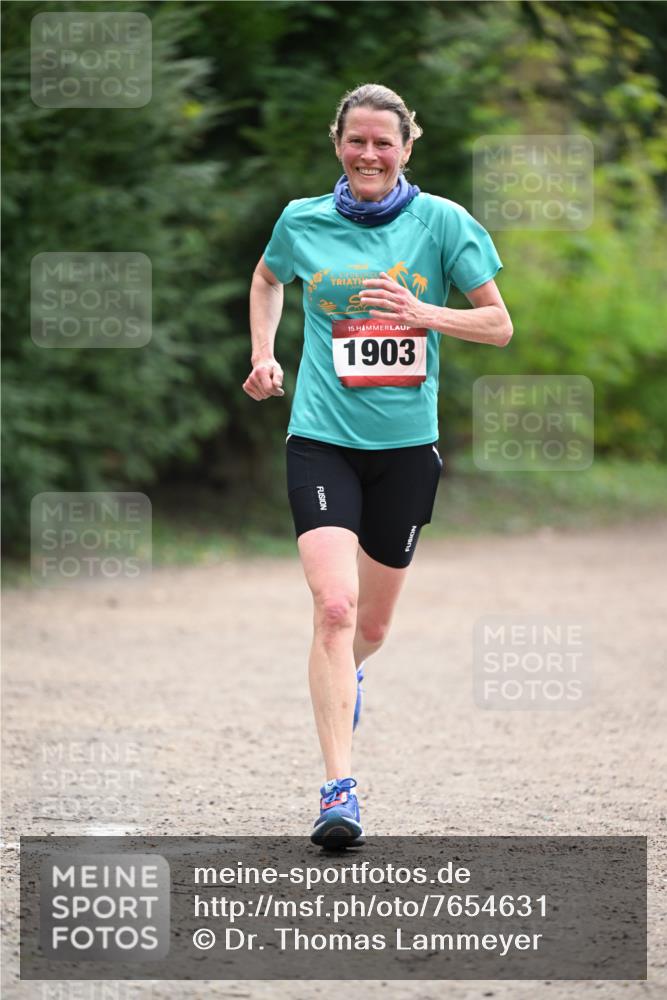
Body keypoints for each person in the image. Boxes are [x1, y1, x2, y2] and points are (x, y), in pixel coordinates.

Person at [243, 83, 512, 848]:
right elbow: (268, 278)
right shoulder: (303, 220)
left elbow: (498, 324)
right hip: (320, 438)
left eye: (382, 143)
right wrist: (263, 354)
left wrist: (424, 314)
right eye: (355, 141)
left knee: (373, 625)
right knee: (334, 607)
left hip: (405, 451)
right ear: (338, 143)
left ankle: (348, 674)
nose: (368, 154)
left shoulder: (441, 223)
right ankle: (339, 791)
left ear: (406, 147)